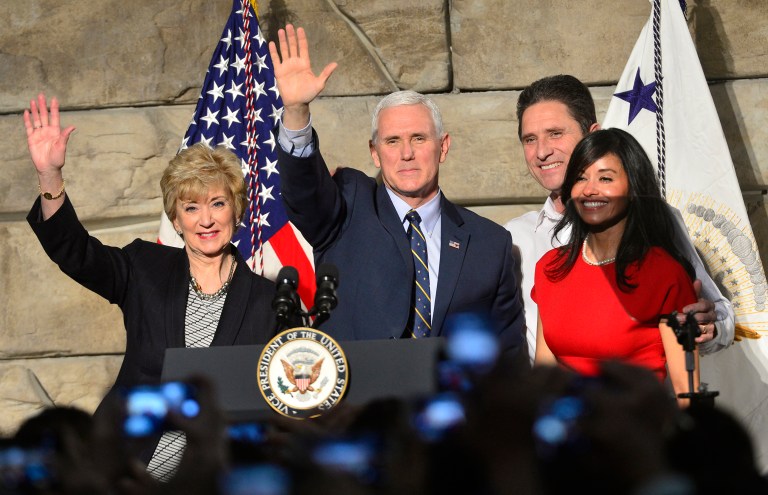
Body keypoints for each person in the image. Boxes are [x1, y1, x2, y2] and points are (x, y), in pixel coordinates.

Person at [23, 93, 277, 479]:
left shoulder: (267, 300)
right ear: (176, 219)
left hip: (213, 473)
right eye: (191, 207)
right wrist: (49, 176)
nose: (206, 220)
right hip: (128, 466)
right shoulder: (144, 268)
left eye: (217, 204)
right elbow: (77, 254)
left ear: (237, 211)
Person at [267, 25, 525, 356]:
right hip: (361, 388)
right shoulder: (348, 205)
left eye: (419, 138)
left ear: (443, 147)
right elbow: (305, 193)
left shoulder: (490, 244)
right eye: (392, 141)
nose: (406, 153)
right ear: (375, 153)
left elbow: (508, 355)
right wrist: (296, 112)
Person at [504, 75, 734, 363]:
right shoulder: (513, 238)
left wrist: (710, 326)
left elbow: (719, 315)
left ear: (592, 135)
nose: (542, 151)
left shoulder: (653, 218)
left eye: (555, 133)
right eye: (530, 139)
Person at [532, 128, 699, 406]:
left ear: (633, 189)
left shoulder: (665, 273)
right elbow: (544, 375)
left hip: (635, 427)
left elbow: (686, 391)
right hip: (564, 427)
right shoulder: (550, 267)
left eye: (605, 178)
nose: (589, 189)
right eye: (581, 178)